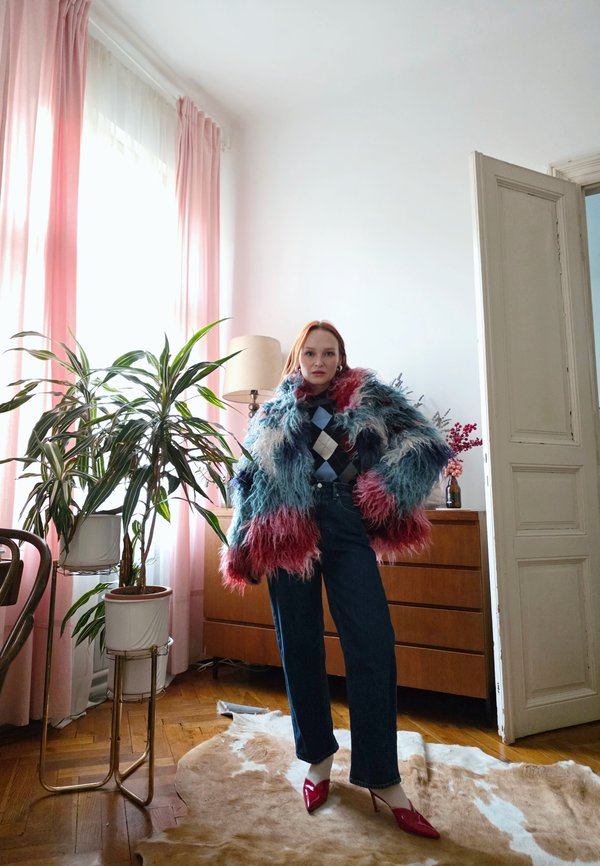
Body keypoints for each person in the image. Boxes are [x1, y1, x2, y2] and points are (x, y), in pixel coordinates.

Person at [221, 320, 451, 839]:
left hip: (346, 524)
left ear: (340, 357)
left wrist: (381, 489)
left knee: (371, 643)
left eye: (329, 353)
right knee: (299, 644)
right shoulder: (274, 411)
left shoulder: (368, 398)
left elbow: (423, 443)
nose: (319, 361)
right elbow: (249, 481)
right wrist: (242, 545)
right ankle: (318, 759)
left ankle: (381, 776)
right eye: (311, 353)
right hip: (289, 530)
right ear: (298, 359)